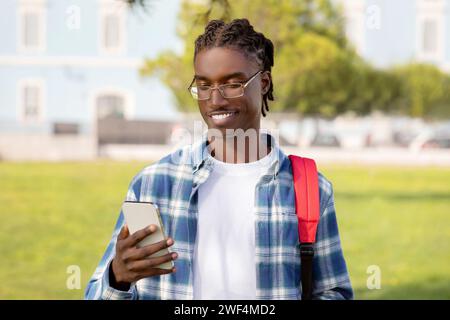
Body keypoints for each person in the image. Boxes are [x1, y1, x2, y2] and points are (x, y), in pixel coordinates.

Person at [85, 18, 353, 300]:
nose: (215, 100)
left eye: (232, 84)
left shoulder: (309, 188)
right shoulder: (153, 184)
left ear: (263, 82)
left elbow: (335, 292)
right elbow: (95, 294)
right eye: (204, 86)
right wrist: (118, 278)